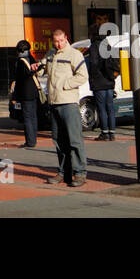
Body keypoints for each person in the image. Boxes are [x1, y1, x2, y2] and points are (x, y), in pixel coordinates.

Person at [45, 29, 89, 187]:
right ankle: (63, 172)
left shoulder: (74, 54)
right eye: (56, 41)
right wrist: (37, 68)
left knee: (74, 139)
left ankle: (79, 172)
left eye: (61, 41)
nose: (58, 44)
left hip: (68, 102)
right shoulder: (51, 54)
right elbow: (45, 70)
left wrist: (65, 85)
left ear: (66, 39)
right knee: (58, 140)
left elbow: (83, 76)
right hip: (54, 102)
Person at [86, 35, 120, 140]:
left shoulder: (94, 47)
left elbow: (93, 63)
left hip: (99, 82)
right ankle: (112, 133)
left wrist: (92, 76)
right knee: (110, 107)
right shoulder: (108, 46)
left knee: (102, 108)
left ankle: (104, 133)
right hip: (109, 81)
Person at [12, 40, 45, 148]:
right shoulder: (31, 59)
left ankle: (30, 141)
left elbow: (19, 80)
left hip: (25, 93)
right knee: (33, 116)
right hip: (34, 91)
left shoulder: (20, 62)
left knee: (27, 118)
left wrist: (14, 96)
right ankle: (33, 139)